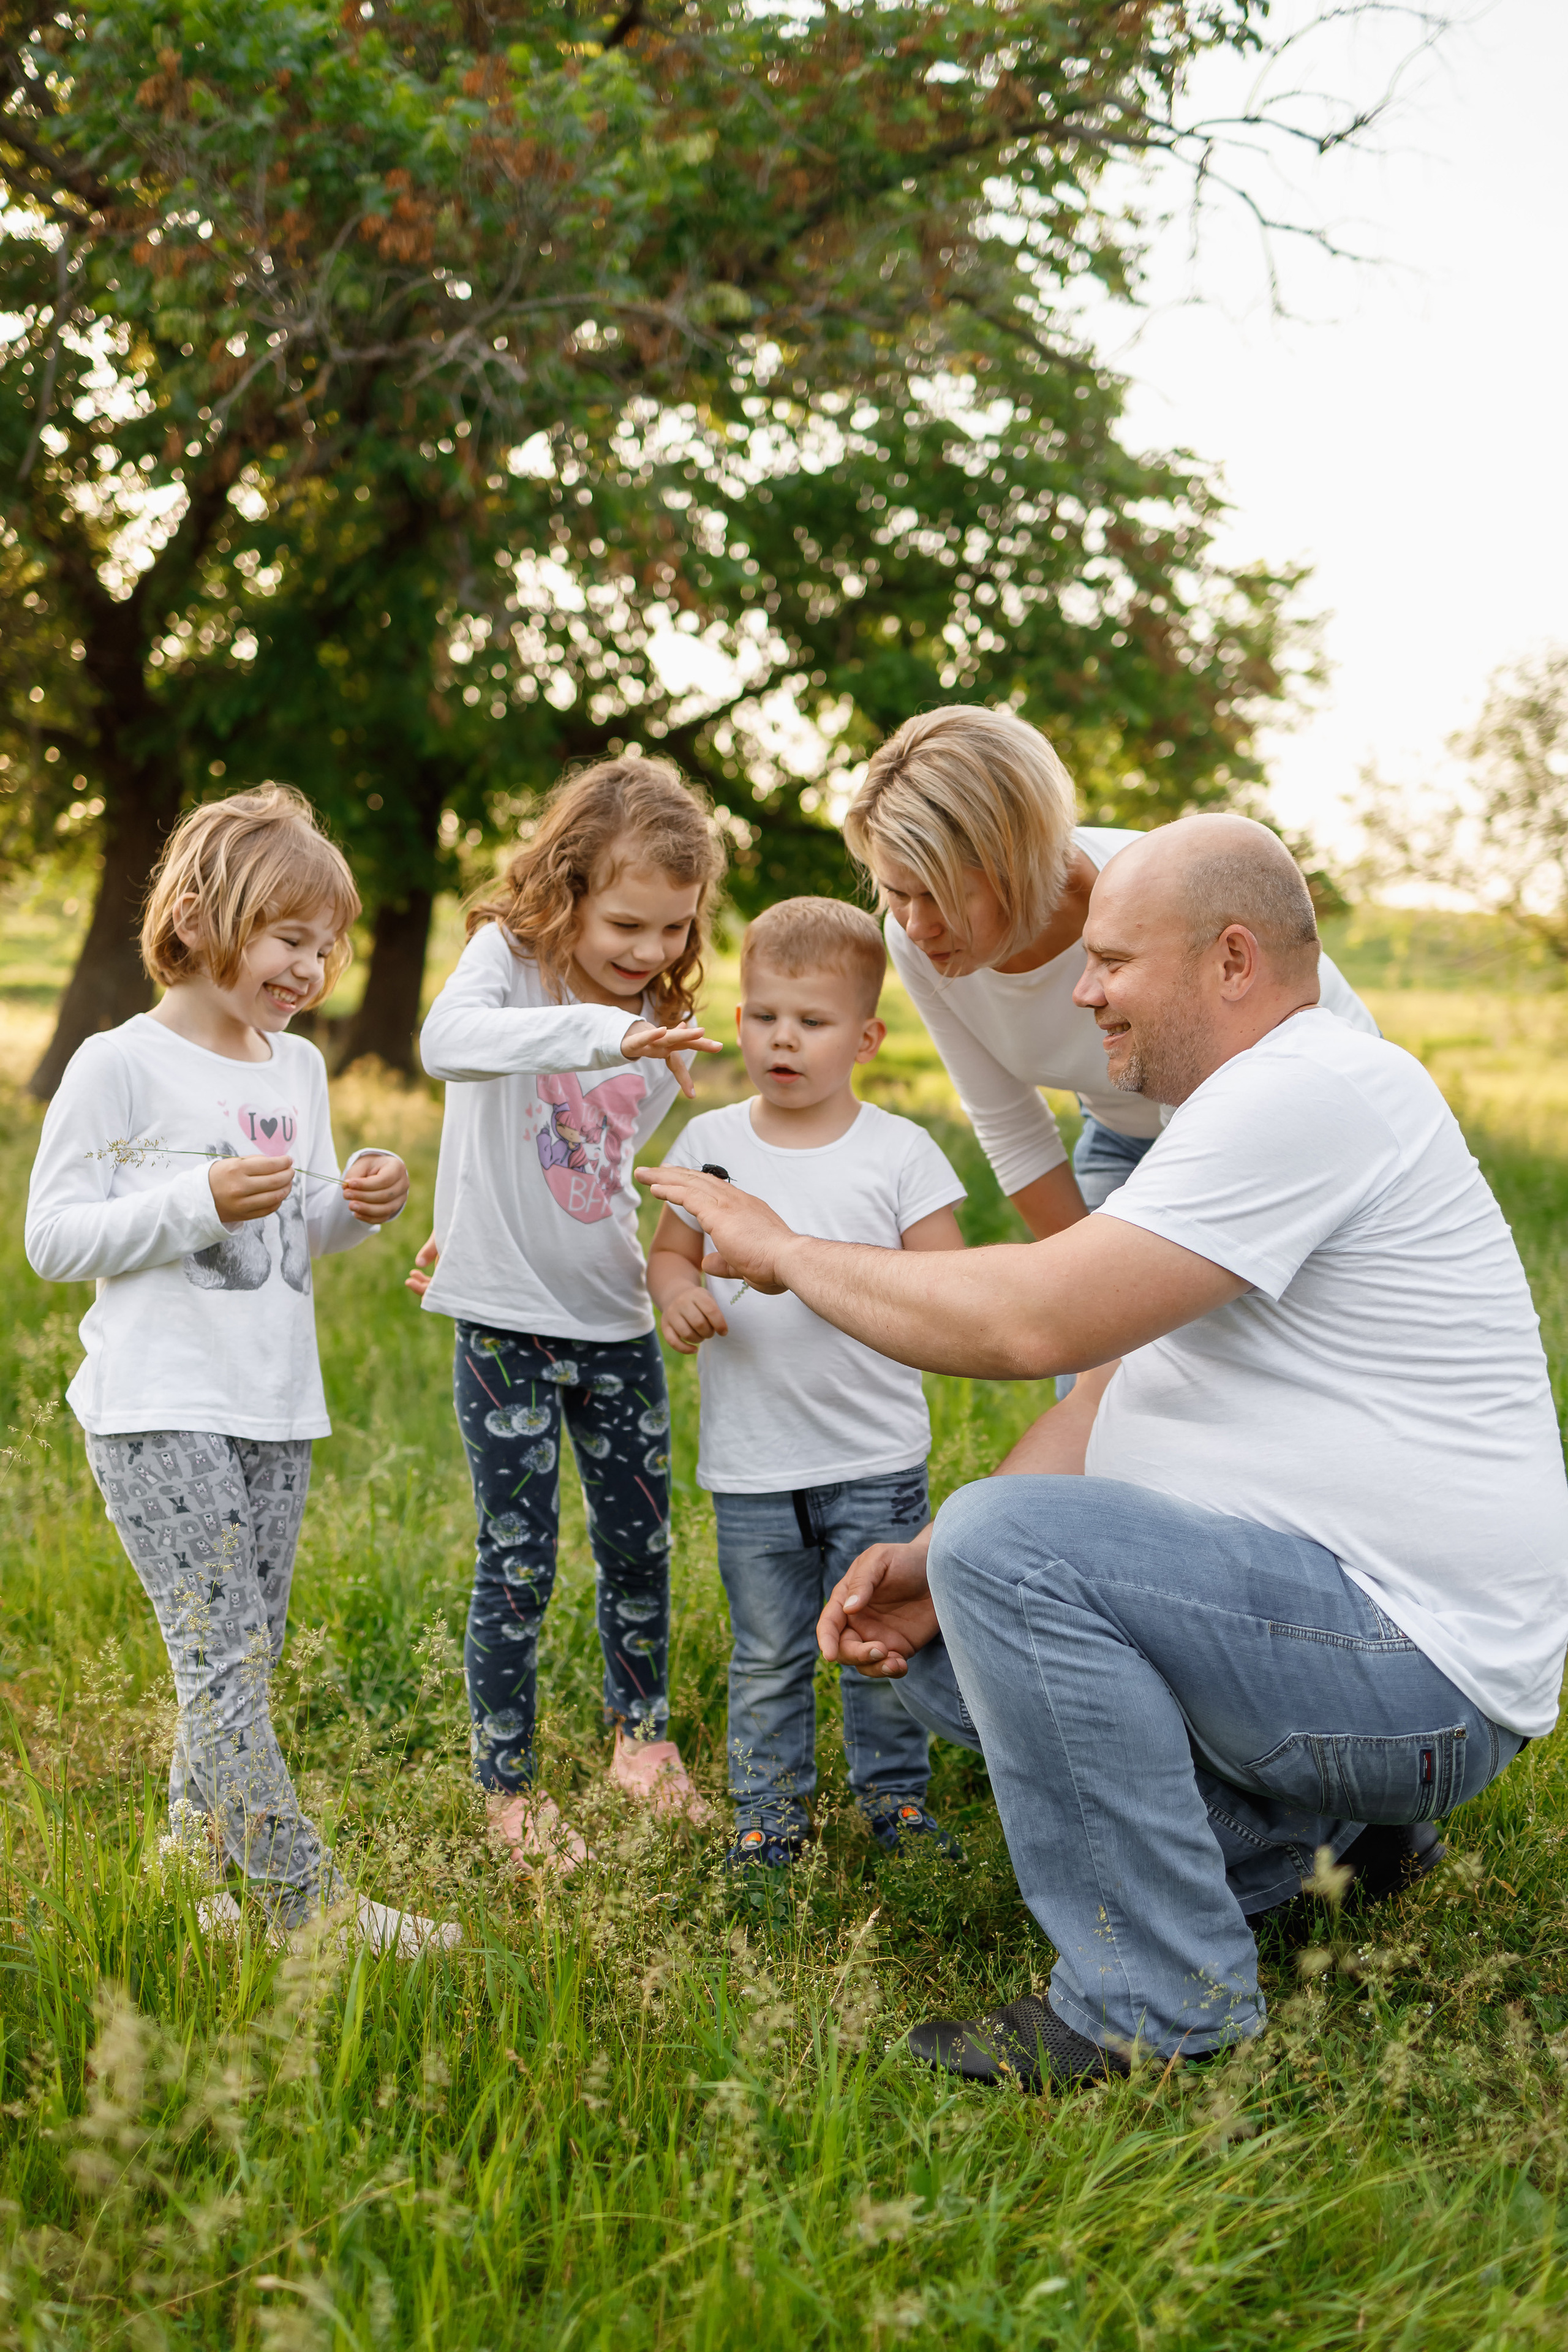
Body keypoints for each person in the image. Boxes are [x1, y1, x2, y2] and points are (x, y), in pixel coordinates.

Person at [639, 815, 1568, 2086]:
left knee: (1003, 1555)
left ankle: (1156, 1999)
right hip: (1351, 1647)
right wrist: (920, 1562)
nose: (1079, 993)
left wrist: (783, 1249)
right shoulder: (1222, 1120)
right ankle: (1335, 1844)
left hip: (1414, 1671)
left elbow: (1031, 1324)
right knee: (946, 1614)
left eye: (1113, 962)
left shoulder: (1310, 1093)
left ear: (1231, 961)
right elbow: (1104, 1393)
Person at [25, 786, 458, 1958]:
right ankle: (301, 1905)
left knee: (242, 1652)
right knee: (220, 1655)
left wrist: (360, 1207)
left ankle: (190, 1867)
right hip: (159, 1404)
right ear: (205, 915)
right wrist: (190, 1202)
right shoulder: (121, 1064)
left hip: (273, 1405)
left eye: (326, 946)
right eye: (289, 939)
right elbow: (52, 1239)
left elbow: (296, 1234)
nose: (312, 967)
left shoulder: (297, 1073)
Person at [412, 758, 724, 1873]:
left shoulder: (660, 1009)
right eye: (629, 922)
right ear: (572, 882)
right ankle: (508, 1786)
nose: (648, 953)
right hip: (505, 1326)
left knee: (642, 1546)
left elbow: (604, 1165)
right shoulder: (510, 961)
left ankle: (642, 1741)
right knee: (520, 1560)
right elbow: (448, 1049)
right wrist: (601, 1033)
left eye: (674, 930)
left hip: (614, 1316)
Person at [646, 898, 968, 1872]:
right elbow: (669, 1254)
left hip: (871, 1456)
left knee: (871, 1644)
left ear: (866, 1036)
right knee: (768, 1654)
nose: (781, 1039)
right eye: (762, 1015)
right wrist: (679, 1294)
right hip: (752, 1464)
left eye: (812, 1021)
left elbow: (947, 1288)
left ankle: (895, 1802)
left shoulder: (900, 1152)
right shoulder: (710, 1142)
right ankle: (768, 1817)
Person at [843, 704, 1378, 1231]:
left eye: (941, 896)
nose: (917, 927)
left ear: (1018, 863)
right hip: (1121, 1139)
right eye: (898, 892)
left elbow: (1213, 1078)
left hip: (1292, 1116)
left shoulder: (1151, 900)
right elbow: (1010, 1127)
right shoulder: (917, 944)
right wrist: (1073, 1286)